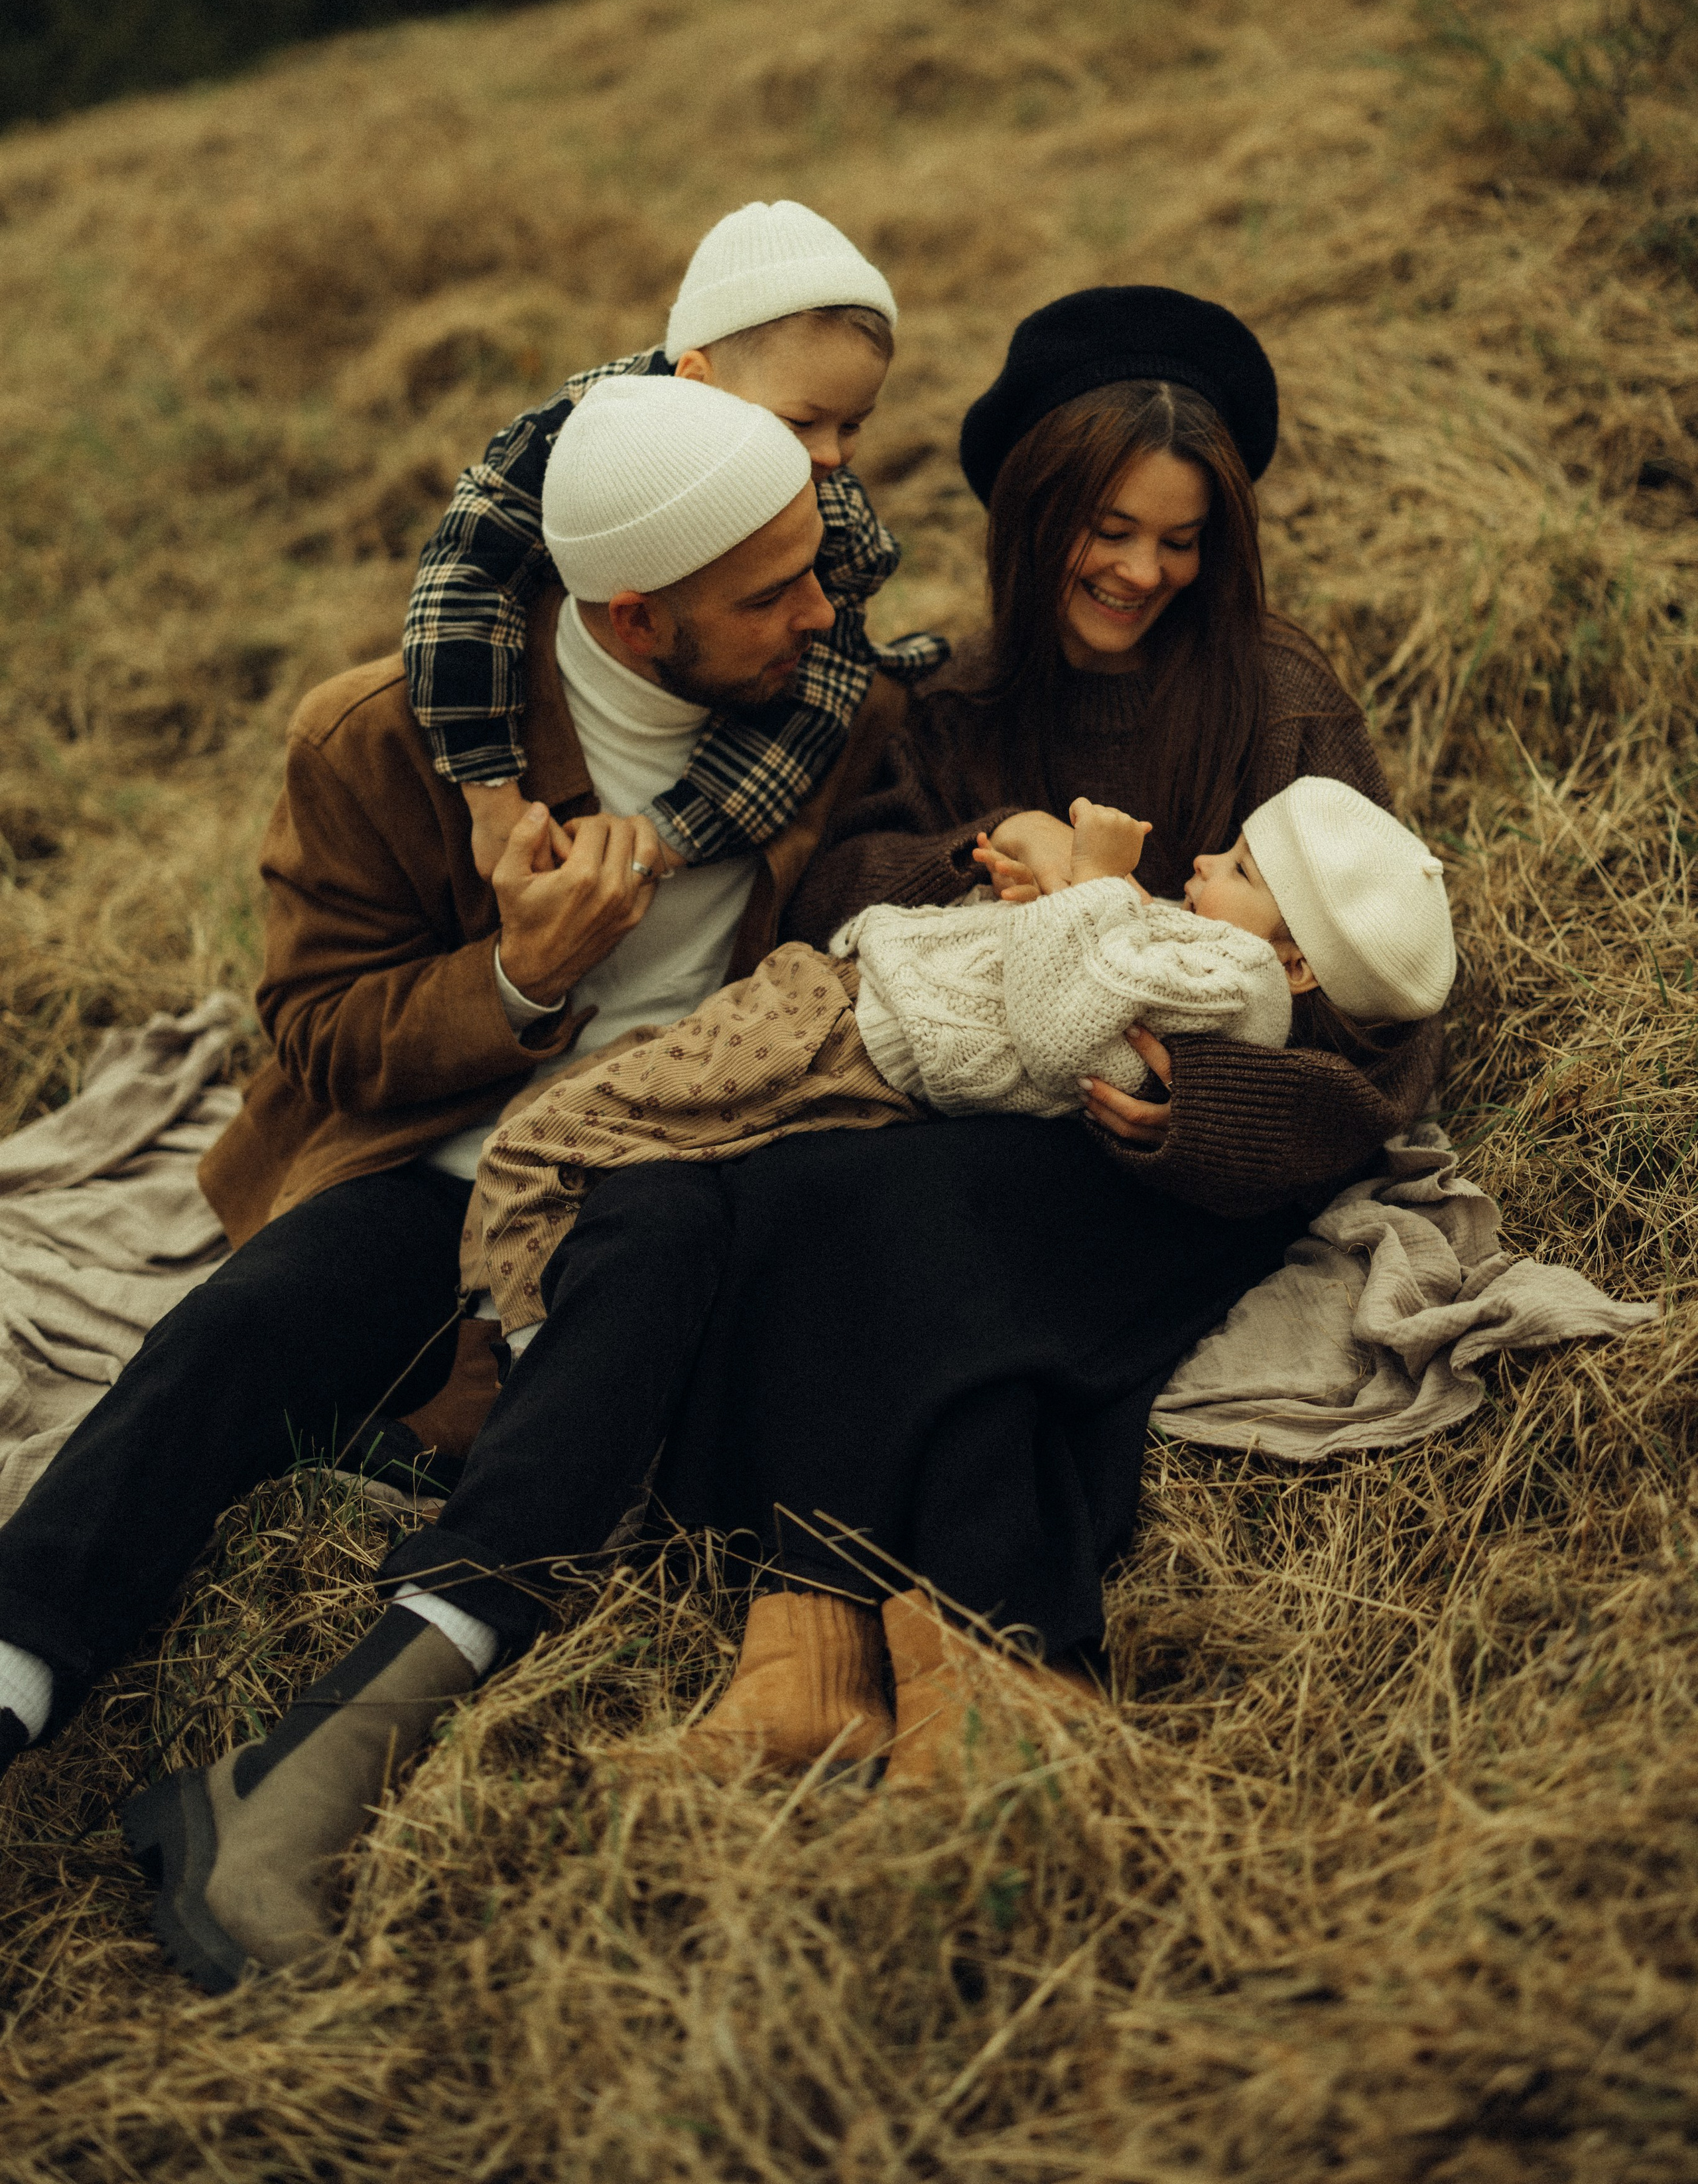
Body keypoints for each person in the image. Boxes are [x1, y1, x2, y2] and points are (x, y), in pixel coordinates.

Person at [119, 285, 1451, 1996]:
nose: (1137, 571)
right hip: (941, 1083)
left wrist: (1208, 1104)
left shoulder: (1274, 701)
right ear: (1034, 516)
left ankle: (969, 1655)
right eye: (1104, 530)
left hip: (1154, 1152)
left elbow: (1381, 1028)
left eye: (1180, 542)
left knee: (915, 1235)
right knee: (780, 1198)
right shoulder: (951, 694)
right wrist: (997, 859)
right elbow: (832, 889)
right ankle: (800, 1652)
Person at [0, 372, 908, 1787]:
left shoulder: (828, 719)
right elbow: (317, 1024)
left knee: (627, 1329)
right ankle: (19, 1668)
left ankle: (355, 1713)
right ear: (632, 620)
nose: (820, 616)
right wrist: (520, 983)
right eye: (773, 595)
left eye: (815, 575)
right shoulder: (378, 740)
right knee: (236, 1335)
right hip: (434, 1157)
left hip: (665, 1169)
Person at [470, 776, 1457, 1344]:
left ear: (1297, 962)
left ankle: (527, 1355)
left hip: (847, 1034)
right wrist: (1048, 880)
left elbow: (1062, 1029)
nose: (1203, 864)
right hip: (844, 1003)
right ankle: (512, 1311)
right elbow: (1079, 959)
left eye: (1240, 870)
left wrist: (1102, 883)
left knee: (550, 1136)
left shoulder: (1240, 986)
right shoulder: (1210, 945)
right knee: (616, 1108)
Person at [403, 196, 944, 881]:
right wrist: (490, 796)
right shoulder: (566, 447)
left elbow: (815, 702)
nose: (831, 456)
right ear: (695, 380)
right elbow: (461, 584)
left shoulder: (830, 512)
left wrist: (671, 834)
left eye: (853, 425)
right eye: (801, 423)